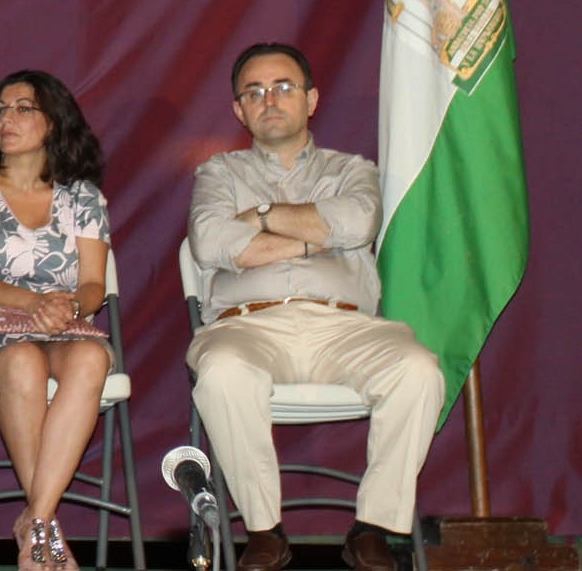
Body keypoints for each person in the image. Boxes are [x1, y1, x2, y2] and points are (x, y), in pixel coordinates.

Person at [187, 43, 444, 571]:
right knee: (221, 373)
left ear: (311, 99)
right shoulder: (218, 174)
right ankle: (264, 532)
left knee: (419, 370)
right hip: (247, 326)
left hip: (344, 327)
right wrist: (313, 237)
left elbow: (355, 225)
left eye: (283, 87)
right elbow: (212, 244)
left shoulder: (353, 169)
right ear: (239, 111)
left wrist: (257, 218)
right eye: (253, 92)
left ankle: (374, 528)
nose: (269, 100)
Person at [0, 71, 112, 571]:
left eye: (23, 108)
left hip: (60, 325)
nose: (7, 119)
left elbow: (94, 285)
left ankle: (35, 517)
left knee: (93, 356)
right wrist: (31, 303)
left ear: (54, 122)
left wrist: (70, 307)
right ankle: (46, 528)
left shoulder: (83, 197)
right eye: (0, 110)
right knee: (23, 362)